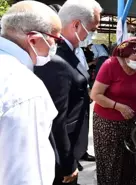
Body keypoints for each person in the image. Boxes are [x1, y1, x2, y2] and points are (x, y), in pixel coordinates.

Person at [34, 0, 102, 184]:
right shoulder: (56, 57)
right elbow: (56, 119)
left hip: (71, 147)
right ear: (76, 25)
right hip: (59, 156)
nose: (93, 34)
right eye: (93, 29)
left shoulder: (70, 52)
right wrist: (67, 163)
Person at [0, 1, 61, 184]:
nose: (55, 47)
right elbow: (26, 176)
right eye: (55, 40)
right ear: (33, 39)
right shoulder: (24, 88)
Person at [90, 38, 136, 185]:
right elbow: (95, 95)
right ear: (125, 55)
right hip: (107, 123)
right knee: (111, 163)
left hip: (130, 121)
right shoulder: (110, 65)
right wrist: (118, 106)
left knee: (129, 162)